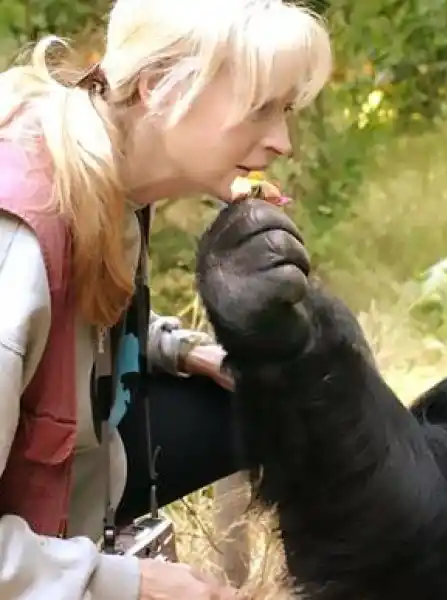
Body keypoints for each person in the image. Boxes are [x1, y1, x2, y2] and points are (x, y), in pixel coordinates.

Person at [0, 0, 332, 598]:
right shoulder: (17, 238)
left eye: (284, 111)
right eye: (260, 108)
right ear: (158, 87)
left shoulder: (108, 175)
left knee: (263, 401)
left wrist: (178, 349)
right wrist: (124, 583)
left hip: (73, 490)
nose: (282, 141)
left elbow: (72, 326)